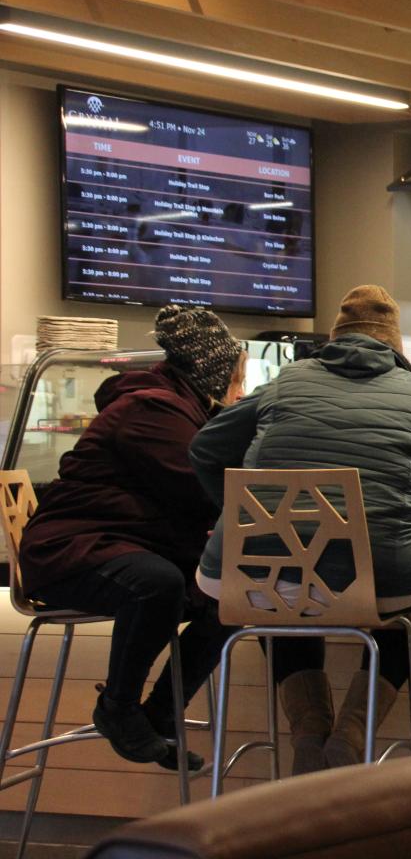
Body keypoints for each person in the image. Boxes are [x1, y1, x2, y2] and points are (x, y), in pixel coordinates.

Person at [190, 285, 411, 773]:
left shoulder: (284, 382)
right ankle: (352, 732)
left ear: (332, 341)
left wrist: (239, 513)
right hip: (381, 585)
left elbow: (205, 449)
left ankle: (309, 735)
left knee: (281, 589)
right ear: (397, 349)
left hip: (245, 575)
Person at [18, 306, 246, 768]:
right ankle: (118, 708)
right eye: (237, 376)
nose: (240, 387)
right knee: (156, 582)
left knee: (234, 597)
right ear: (213, 373)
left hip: (119, 543)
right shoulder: (151, 409)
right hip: (70, 550)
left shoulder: (177, 406)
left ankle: (159, 714)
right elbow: (202, 489)